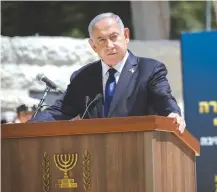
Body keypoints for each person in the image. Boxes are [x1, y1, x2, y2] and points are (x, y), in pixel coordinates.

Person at [29, 12, 186, 133]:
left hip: (140, 155)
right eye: (102, 40)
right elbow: (60, 110)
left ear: (126, 36)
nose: (109, 45)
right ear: (93, 46)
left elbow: (163, 99)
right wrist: (27, 127)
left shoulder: (149, 70)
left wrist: (172, 113)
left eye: (113, 37)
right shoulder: (83, 77)